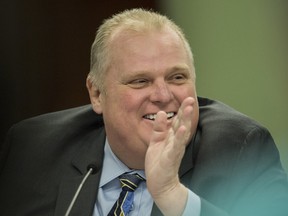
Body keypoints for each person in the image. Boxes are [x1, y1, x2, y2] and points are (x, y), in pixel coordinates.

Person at [0, 8, 288, 216]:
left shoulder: (241, 150)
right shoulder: (33, 147)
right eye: (140, 81)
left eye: (177, 77)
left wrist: (173, 197)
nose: (163, 96)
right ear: (97, 94)